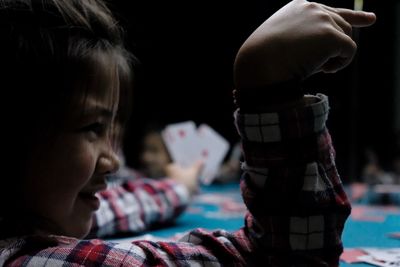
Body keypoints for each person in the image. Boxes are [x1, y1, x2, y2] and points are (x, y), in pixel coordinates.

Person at [0, 0, 376, 266]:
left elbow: (121, 207)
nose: (113, 159)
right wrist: (269, 86)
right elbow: (289, 256)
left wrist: (180, 186)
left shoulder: (26, 214)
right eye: (92, 127)